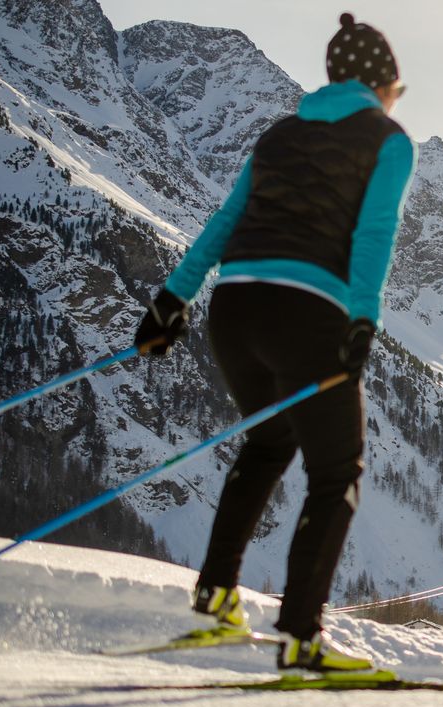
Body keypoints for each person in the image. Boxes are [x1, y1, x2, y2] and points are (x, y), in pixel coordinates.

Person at [133, 13, 416, 672]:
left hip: (234, 309)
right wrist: (362, 319)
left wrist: (170, 302)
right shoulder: (387, 139)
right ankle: (300, 636)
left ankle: (216, 597)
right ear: (382, 82)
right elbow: (374, 235)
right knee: (336, 472)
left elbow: (225, 222)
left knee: (268, 442)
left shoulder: (278, 134)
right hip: (305, 312)